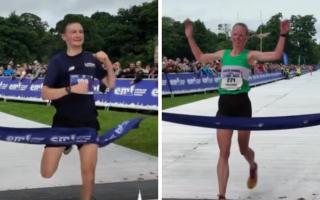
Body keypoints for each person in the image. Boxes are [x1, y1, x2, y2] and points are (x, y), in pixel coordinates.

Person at [185, 19, 289, 200]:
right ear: (231, 36)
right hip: (224, 106)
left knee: (243, 149)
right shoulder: (223, 54)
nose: (238, 37)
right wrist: (190, 37)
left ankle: (252, 164)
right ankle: (221, 195)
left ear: (246, 38)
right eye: (235, 34)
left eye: (241, 35)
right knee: (224, 152)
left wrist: (283, 34)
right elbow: (201, 57)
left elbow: (276, 55)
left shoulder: (250, 55)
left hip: (242, 106)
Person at [41, 19, 116, 200]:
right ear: (64, 36)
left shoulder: (92, 59)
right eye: (73, 32)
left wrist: (107, 61)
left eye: (80, 31)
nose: (78, 35)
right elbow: (45, 93)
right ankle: (67, 144)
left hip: (88, 122)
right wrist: (69, 89)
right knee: (47, 172)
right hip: (63, 123)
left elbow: (110, 84)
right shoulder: (57, 61)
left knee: (88, 172)